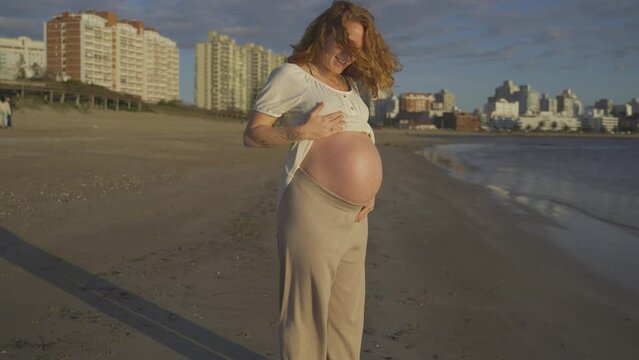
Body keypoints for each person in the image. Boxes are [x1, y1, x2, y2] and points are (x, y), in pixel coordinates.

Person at [243, 1, 400, 359]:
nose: (347, 54)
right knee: (306, 312)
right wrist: (302, 131)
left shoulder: (348, 84)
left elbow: (360, 132)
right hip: (313, 207)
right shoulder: (292, 76)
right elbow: (253, 134)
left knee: (347, 315)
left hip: (357, 215)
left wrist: (369, 190)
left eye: (356, 49)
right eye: (343, 42)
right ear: (323, 31)